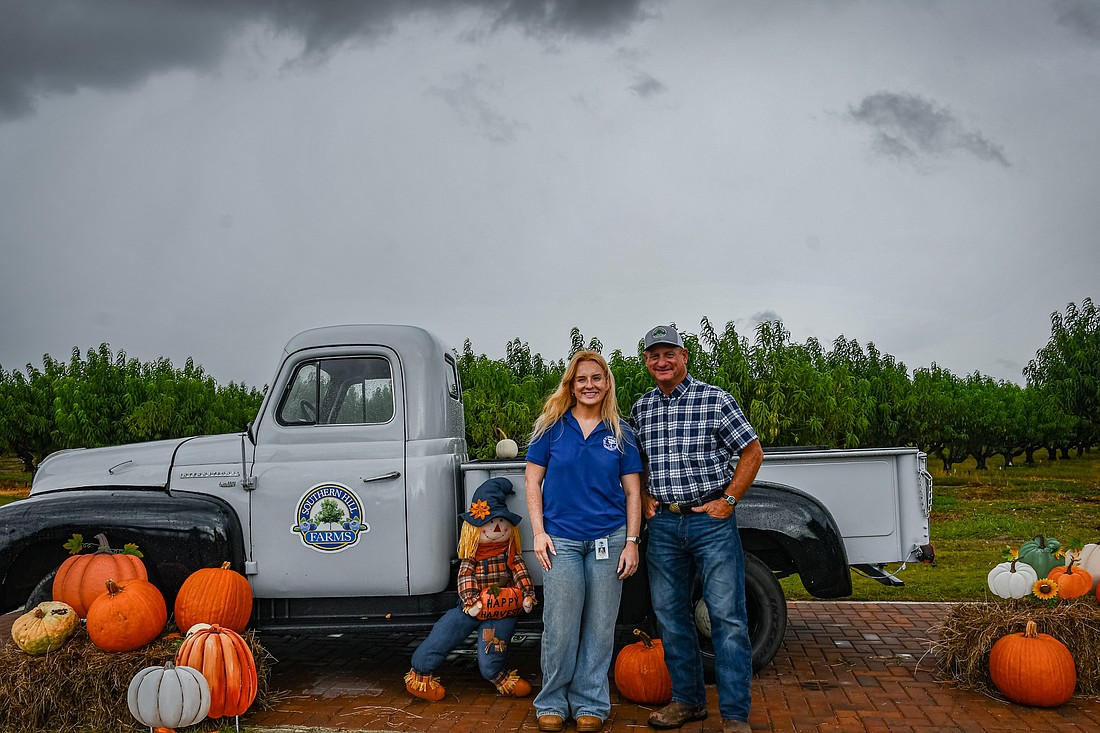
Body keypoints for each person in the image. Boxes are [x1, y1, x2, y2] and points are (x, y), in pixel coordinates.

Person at [629, 325, 764, 733]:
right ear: (647, 362)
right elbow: (638, 462)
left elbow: (752, 452)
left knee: (728, 618)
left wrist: (729, 500)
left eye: (669, 353)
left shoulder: (715, 399)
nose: (661, 362)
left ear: (685, 356)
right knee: (671, 618)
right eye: (654, 355)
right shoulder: (641, 409)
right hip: (665, 525)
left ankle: (736, 715)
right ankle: (688, 702)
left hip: (710, 521)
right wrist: (647, 494)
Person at [525, 351, 643, 733]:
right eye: (581, 379)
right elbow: (532, 482)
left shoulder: (622, 434)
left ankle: (592, 701)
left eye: (596, 378)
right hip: (561, 541)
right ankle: (552, 702)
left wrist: (632, 541)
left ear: (607, 383)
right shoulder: (551, 429)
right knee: (559, 625)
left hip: (608, 540)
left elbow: (633, 494)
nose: (589, 385)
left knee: (600, 625)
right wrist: (539, 532)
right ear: (571, 386)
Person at [404, 477, 536, 702]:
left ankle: (499, 677)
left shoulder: (510, 554)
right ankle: (420, 674)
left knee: (493, 646)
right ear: (473, 529)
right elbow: (465, 577)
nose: (497, 528)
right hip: (472, 606)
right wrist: (471, 601)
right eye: (490, 522)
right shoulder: (471, 556)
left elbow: (520, 573)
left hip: (503, 608)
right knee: (446, 629)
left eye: (502, 522)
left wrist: (527, 595)